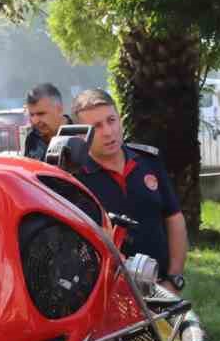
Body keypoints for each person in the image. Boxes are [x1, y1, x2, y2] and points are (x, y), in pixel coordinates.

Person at [71, 89, 188, 288]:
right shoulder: (74, 180)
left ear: (120, 120)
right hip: (107, 296)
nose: (108, 132)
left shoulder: (148, 162)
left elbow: (174, 218)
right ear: (82, 135)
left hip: (161, 289)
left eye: (111, 120)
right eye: (96, 126)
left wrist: (174, 279)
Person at [23, 83, 67, 161]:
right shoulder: (32, 138)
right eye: (31, 115)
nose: (35, 121)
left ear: (59, 110)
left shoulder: (81, 135)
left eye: (41, 114)